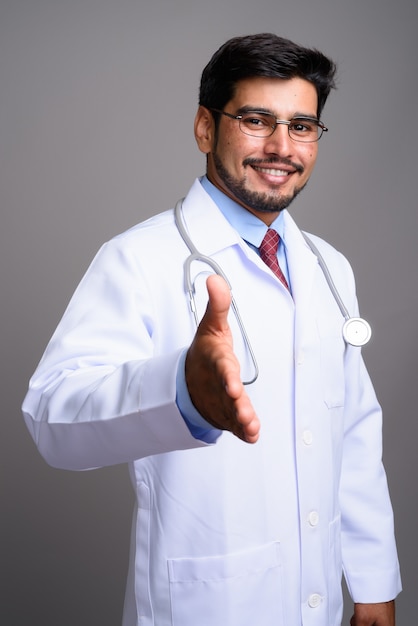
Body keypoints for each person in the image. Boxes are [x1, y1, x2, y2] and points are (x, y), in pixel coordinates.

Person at [22, 33, 401, 626]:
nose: (282, 146)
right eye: (256, 119)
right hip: (208, 602)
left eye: (302, 126)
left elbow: (352, 428)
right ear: (205, 127)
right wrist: (180, 392)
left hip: (321, 599)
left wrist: (373, 581)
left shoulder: (328, 265)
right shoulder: (138, 258)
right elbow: (51, 417)